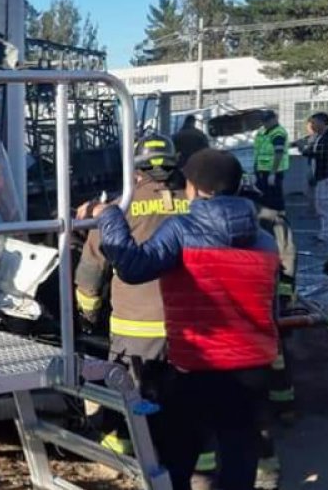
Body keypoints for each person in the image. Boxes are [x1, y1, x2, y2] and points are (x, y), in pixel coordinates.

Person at [78, 149, 280, 490]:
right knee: (239, 453)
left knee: (179, 455)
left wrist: (110, 216)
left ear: (198, 189)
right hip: (253, 367)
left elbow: (132, 266)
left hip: (195, 365)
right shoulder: (265, 240)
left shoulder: (182, 230)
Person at [74, 133, 187, 457]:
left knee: (131, 394)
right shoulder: (196, 200)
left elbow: (91, 274)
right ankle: (196, 463)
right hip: (192, 324)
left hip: (136, 326)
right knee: (183, 397)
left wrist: (89, 314)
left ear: (134, 169)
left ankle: (124, 451)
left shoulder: (118, 209)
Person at [305, 112, 328, 244]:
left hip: (327, 176)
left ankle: (326, 236)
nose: (312, 125)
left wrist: (307, 151)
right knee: (321, 205)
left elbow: (324, 154)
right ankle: (323, 233)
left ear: (322, 122)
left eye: (314, 122)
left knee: (327, 206)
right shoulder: (320, 136)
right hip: (320, 176)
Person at [253, 111, 290, 212]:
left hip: (273, 171)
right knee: (262, 196)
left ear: (275, 119)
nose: (266, 123)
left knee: (275, 198)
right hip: (262, 170)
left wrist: (272, 173)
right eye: (264, 121)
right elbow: (259, 151)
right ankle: (267, 217)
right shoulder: (263, 131)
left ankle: (279, 218)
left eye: (268, 120)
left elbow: (279, 153)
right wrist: (256, 167)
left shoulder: (278, 133)